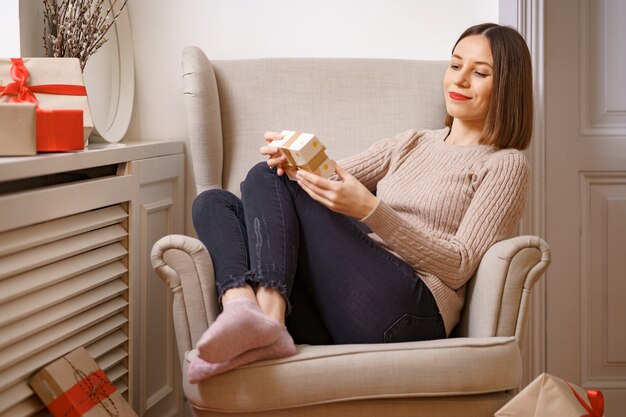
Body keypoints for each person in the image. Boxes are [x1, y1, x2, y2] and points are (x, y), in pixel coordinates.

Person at [187, 22, 533, 382]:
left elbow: (460, 264)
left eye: (479, 73)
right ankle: (242, 305)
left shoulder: (504, 163)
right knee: (217, 201)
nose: (459, 80)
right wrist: (296, 158)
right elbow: (328, 177)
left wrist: (370, 210)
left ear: (507, 86)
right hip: (343, 306)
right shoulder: (412, 143)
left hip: (408, 310)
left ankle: (268, 319)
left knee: (266, 175)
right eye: (455, 65)